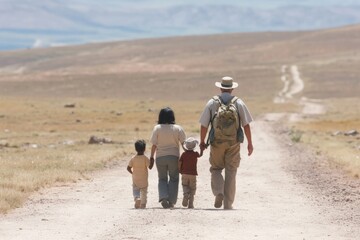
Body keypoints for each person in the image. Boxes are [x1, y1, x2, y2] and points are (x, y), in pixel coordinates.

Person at [199, 76, 254, 210]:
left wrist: (202, 142)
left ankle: (219, 192)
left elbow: (204, 125)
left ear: (220, 87)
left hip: (216, 142)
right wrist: (249, 143)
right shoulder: (238, 103)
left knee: (216, 169)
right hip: (233, 143)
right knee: (231, 171)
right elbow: (246, 125)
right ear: (232, 89)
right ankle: (228, 204)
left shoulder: (212, 103)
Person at [150, 107, 186, 209]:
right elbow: (184, 144)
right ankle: (171, 201)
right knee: (174, 179)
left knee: (162, 178)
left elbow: (154, 145)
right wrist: (189, 154)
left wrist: (152, 157)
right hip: (173, 157)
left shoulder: (157, 128)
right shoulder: (178, 128)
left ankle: (163, 197)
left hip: (160, 158)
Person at [127, 139, 154, 209]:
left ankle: (137, 198)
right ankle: (143, 204)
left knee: (136, 190)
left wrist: (132, 173)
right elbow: (150, 167)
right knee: (144, 192)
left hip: (135, 178)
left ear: (135, 149)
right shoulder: (145, 158)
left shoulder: (133, 158)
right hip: (144, 179)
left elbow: (128, 168)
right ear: (144, 149)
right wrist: (152, 160)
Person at [178, 137, 203, 209]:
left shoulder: (183, 154)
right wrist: (202, 149)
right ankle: (190, 204)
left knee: (185, 185)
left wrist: (179, 170)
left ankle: (185, 194)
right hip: (193, 174)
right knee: (192, 189)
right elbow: (200, 155)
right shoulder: (195, 154)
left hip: (184, 173)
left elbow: (180, 162)